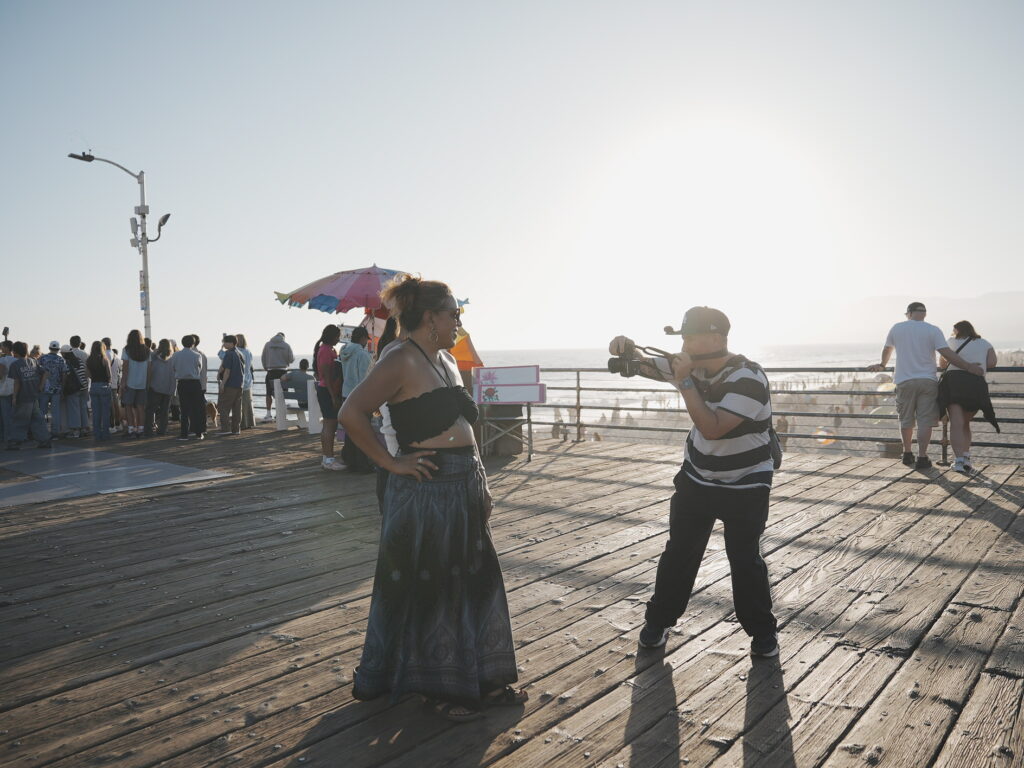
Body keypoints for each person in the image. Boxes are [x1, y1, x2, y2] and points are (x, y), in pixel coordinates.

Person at [342, 275, 523, 721]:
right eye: (453, 314)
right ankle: (437, 687)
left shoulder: (444, 358)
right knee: (434, 585)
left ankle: (479, 678)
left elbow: (466, 432)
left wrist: (480, 480)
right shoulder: (399, 358)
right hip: (424, 487)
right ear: (429, 317)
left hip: (462, 483)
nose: (458, 321)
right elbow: (351, 413)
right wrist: (391, 463)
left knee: (472, 583)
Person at [610, 306, 780, 658]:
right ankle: (658, 621)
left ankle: (762, 633)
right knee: (679, 553)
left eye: (691, 336)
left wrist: (685, 381)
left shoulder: (749, 377)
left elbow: (712, 426)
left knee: (745, 558)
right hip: (697, 478)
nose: (684, 342)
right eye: (682, 337)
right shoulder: (692, 364)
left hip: (746, 482)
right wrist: (627, 349)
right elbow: (646, 363)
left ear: (717, 338)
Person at [868, 302, 983, 470]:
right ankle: (922, 457)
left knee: (906, 419)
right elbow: (946, 353)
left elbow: (887, 349)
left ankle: (907, 453)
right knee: (925, 422)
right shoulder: (933, 329)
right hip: (927, 380)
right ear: (924, 314)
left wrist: (882, 365)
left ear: (908, 313)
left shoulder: (897, 328)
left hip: (904, 380)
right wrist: (968, 366)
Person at [938, 320, 999, 474]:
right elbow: (992, 362)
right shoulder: (984, 342)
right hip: (975, 384)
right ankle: (966, 457)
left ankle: (958, 461)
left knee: (956, 423)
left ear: (956, 330)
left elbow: (942, 363)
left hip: (954, 383)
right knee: (965, 423)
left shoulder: (950, 341)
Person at [338, 326, 374, 472]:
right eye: (366, 339)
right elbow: (366, 379)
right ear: (362, 338)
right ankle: (363, 464)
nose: (367, 342)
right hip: (360, 396)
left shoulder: (344, 352)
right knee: (363, 431)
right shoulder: (363, 355)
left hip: (346, 394)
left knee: (351, 430)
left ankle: (350, 460)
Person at [7, 341, 51, 449]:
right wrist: (41, 386)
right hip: (34, 396)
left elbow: (17, 382)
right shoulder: (33, 361)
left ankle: (15, 442)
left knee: (19, 420)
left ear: (15, 352)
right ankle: (44, 440)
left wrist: (14, 397)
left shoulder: (15, 365)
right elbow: (45, 372)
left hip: (23, 397)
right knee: (37, 419)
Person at [313, 324, 345, 470]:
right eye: (337, 336)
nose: (339, 339)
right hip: (327, 389)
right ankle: (329, 459)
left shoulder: (328, 349)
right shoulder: (326, 350)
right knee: (330, 425)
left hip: (325, 388)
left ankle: (327, 458)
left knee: (328, 424)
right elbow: (325, 373)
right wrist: (333, 396)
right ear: (332, 336)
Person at [171, 335, 205, 440]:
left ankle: (184, 434)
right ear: (193, 344)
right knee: (197, 409)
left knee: (184, 409)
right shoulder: (197, 355)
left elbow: (173, 367)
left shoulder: (176, 355)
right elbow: (199, 368)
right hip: (194, 383)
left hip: (182, 383)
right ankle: (199, 433)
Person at [120, 330, 151, 439]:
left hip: (130, 383)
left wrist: (122, 383)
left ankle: (131, 429)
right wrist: (147, 383)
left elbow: (125, 368)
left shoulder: (126, 350)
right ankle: (140, 429)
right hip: (142, 383)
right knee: (140, 407)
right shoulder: (147, 351)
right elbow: (149, 369)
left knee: (128, 406)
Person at [144, 339, 176, 437]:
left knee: (150, 410)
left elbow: (148, 368)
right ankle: (162, 430)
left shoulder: (154, 357)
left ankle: (148, 431)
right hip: (168, 388)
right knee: (164, 411)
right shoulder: (173, 358)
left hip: (155, 387)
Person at [37, 341, 68, 439]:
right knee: (55, 413)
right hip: (57, 389)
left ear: (49, 347)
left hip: (44, 389)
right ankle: (55, 433)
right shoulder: (61, 360)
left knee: (42, 412)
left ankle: (42, 432)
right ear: (58, 350)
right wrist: (63, 388)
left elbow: (37, 372)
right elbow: (64, 375)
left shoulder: (42, 358)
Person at [261, 332, 294, 421]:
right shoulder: (286, 345)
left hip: (271, 371)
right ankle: (280, 414)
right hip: (283, 372)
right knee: (282, 394)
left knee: (268, 393)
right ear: (283, 337)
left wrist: (266, 367)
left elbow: (263, 357)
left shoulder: (267, 344)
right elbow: (291, 359)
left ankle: (268, 415)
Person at [216, 335, 245, 435]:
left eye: (225, 342)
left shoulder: (229, 354)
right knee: (237, 407)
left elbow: (227, 370)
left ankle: (225, 429)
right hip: (239, 384)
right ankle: (236, 429)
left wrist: (222, 384)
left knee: (223, 406)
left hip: (230, 384)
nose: (223, 344)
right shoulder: (240, 353)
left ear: (231, 343)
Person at [60, 344, 89, 439]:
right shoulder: (79, 361)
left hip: (73, 390)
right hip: (83, 388)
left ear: (64, 353)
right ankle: (84, 429)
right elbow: (85, 373)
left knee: (74, 410)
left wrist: (63, 390)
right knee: (83, 409)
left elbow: (65, 378)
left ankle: (76, 431)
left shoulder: (66, 363)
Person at [86, 341, 114, 441]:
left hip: (93, 386)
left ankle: (97, 435)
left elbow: (88, 374)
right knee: (105, 412)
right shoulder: (105, 359)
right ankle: (105, 434)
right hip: (104, 386)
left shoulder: (89, 360)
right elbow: (109, 375)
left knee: (96, 413)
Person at [0, 340, 16, 446]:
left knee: (5, 416)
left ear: (6, 348)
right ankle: (13, 437)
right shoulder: (16, 360)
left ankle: (7, 438)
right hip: (15, 390)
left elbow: (1, 375)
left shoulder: (2, 360)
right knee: (13, 416)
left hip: (4, 390)